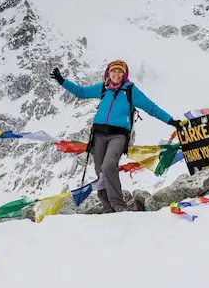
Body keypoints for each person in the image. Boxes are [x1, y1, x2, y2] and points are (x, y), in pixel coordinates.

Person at [50, 60, 182, 212]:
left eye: (120, 71)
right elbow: (81, 92)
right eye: (114, 71)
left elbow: (151, 107)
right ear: (108, 73)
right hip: (99, 135)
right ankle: (108, 207)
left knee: (109, 165)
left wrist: (171, 121)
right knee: (100, 171)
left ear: (124, 75)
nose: (116, 74)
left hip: (118, 136)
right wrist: (62, 81)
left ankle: (118, 205)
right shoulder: (103, 88)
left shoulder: (130, 91)